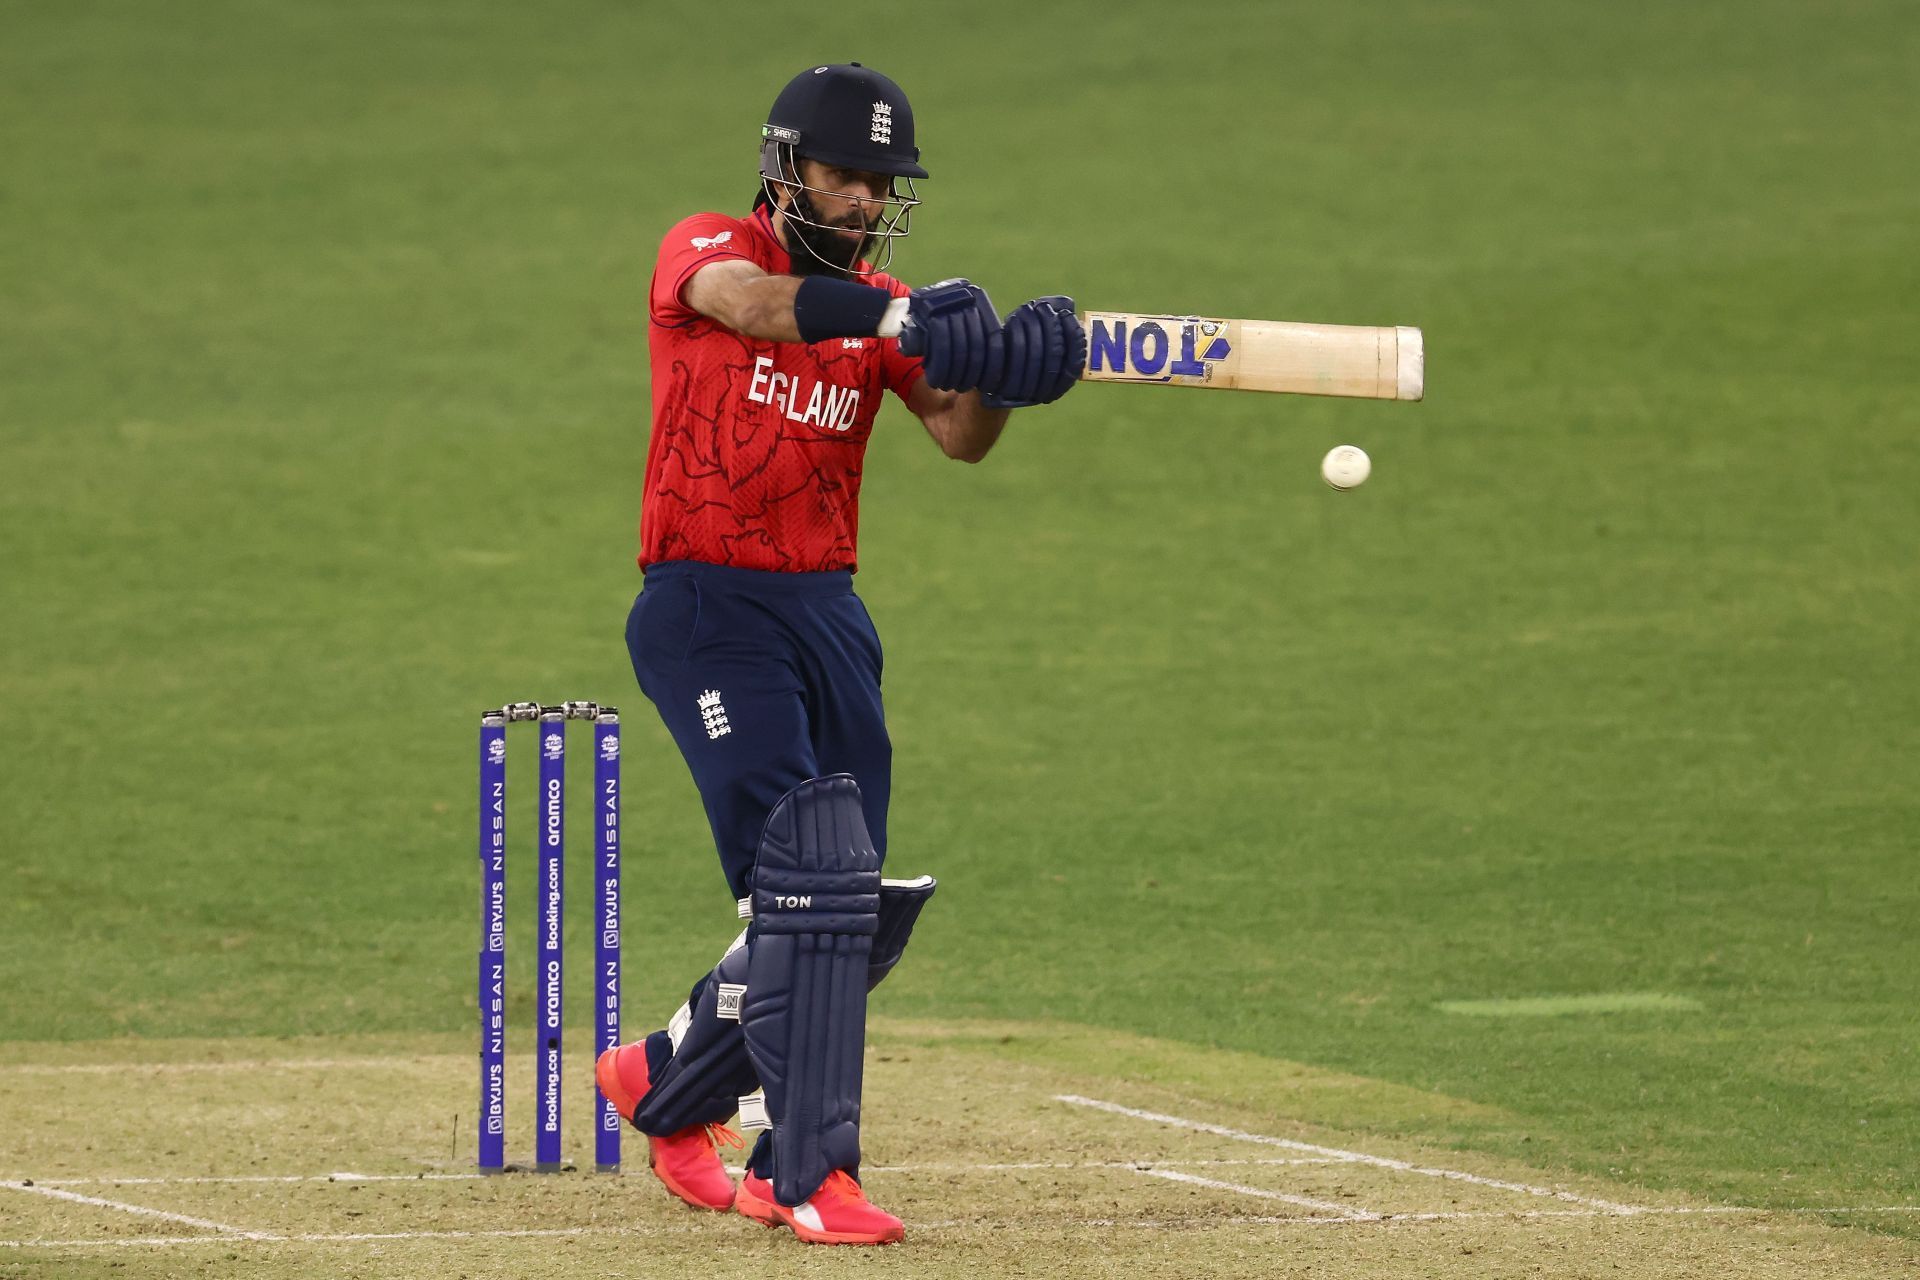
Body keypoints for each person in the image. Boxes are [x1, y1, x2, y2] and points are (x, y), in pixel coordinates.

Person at [593, 63, 1086, 1246]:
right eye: (844, 175)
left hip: (827, 611)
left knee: (845, 902)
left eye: (882, 183)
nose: (864, 200)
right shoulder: (710, 247)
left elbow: (960, 436)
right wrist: (902, 316)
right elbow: (751, 304)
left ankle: (660, 1084)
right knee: (810, 871)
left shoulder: (887, 304)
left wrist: (1009, 375)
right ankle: (810, 1171)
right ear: (785, 168)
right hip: (708, 602)